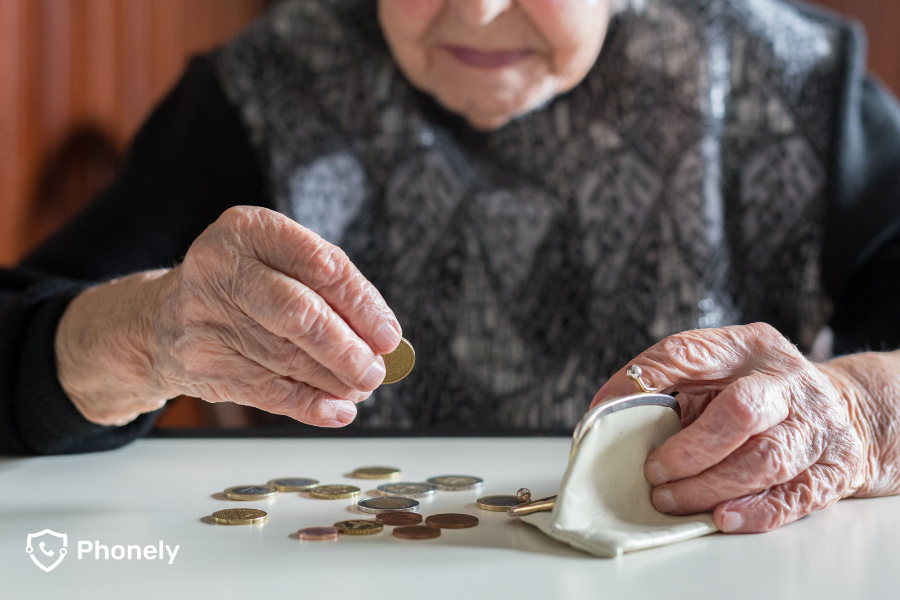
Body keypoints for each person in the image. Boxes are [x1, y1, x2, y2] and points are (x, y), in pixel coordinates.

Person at [1, 0, 899, 535]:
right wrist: (142, 334)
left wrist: (859, 412)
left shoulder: (795, 84)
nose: (473, 11)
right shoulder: (261, 90)